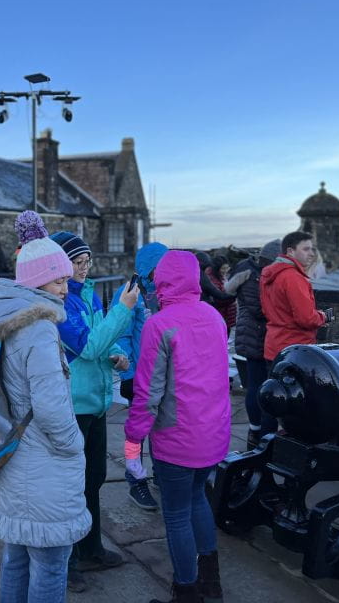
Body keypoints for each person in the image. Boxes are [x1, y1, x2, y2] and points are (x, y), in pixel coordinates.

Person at [0, 210, 91, 602]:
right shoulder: (39, 329)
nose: (65, 288)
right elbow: (53, 409)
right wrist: (75, 446)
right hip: (44, 470)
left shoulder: (4, 319)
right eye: (58, 279)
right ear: (38, 279)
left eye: (66, 279)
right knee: (51, 565)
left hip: (14, 459)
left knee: (16, 558)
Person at [124, 250, 231, 603]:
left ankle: (186, 593)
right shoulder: (215, 318)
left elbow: (148, 391)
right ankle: (211, 581)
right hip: (212, 435)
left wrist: (133, 439)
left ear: (164, 282)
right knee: (198, 498)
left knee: (176, 515)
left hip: (176, 439)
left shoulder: (160, 324)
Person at [50, 230, 137, 593]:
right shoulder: (59, 304)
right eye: (77, 262)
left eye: (87, 262)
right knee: (71, 487)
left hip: (95, 402)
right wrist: (125, 309)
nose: (84, 269)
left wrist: (118, 352)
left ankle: (91, 547)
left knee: (94, 478)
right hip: (73, 406)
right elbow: (85, 346)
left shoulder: (83, 295)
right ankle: (66, 562)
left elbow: (100, 335)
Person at [110, 242, 169, 511]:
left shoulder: (168, 290)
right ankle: (135, 479)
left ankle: (160, 472)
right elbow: (121, 333)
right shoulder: (131, 291)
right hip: (139, 376)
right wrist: (129, 374)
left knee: (163, 427)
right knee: (137, 433)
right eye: (162, 265)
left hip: (165, 375)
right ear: (150, 267)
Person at [231, 239, 280, 448]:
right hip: (255, 336)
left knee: (258, 384)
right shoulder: (253, 276)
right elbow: (259, 308)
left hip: (254, 335)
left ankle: (258, 432)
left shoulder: (256, 272)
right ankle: (257, 432)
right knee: (257, 385)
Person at [260, 231, 331, 366]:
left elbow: (268, 310)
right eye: (306, 249)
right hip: (294, 350)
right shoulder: (293, 278)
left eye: (312, 249)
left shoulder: (269, 274)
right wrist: (322, 316)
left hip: (273, 346)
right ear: (290, 251)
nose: (311, 253)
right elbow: (306, 319)